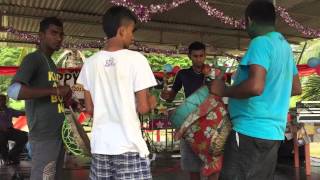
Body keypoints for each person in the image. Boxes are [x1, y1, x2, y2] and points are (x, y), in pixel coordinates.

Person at [209, 1, 302, 180]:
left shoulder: (260, 42)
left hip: (249, 131)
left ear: (249, 20)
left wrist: (224, 90)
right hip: (273, 133)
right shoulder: (284, 46)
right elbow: (296, 87)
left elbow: (255, 86)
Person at [77, 6, 157, 180]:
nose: (132, 36)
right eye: (131, 31)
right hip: (128, 145)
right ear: (121, 31)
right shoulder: (137, 60)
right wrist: (152, 101)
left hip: (100, 146)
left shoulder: (90, 64)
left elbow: (89, 108)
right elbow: (143, 108)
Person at [7, 17, 71, 180]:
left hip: (57, 134)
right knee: (44, 177)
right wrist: (54, 91)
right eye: (53, 33)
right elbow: (14, 91)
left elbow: (51, 96)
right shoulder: (33, 59)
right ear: (41, 35)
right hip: (44, 136)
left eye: (61, 34)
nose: (59, 38)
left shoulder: (51, 63)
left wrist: (66, 99)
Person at [161, 41, 218, 180]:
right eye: (195, 56)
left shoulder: (213, 72)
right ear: (189, 56)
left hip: (210, 122)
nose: (199, 59)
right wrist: (166, 95)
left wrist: (209, 76)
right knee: (192, 166)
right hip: (189, 122)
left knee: (213, 165)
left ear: (205, 55)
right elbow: (171, 96)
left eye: (201, 56)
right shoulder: (182, 74)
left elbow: (217, 94)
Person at [0, 94, 27, 165]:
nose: (2, 101)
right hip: (1, 132)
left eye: (3, 100)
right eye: (0, 100)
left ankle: (12, 155)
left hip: (10, 130)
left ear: (5, 101)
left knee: (24, 136)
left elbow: (21, 112)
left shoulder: (9, 110)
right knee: (1, 139)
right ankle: (5, 158)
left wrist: (28, 111)